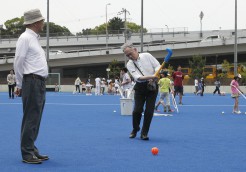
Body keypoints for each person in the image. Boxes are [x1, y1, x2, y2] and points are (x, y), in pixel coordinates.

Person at [14, 9, 49, 164]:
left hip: (38, 81)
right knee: (31, 118)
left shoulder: (32, 38)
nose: (43, 23)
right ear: (35, 22)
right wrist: (19, 83)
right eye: (41, 20)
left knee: (36, 118)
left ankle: (31, 148)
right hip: (32, 81)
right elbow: (18, 62)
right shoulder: (26, 38)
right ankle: (27, 152)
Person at [122, 42, 160, 140]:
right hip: (140, 87)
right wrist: (151, 76)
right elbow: (137, 77)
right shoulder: (129, 64)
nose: (130, 56)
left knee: (149, 111)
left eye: (130, 53)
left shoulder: (147, 56)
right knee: (137, 110)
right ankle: (135, 129)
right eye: (127, 55)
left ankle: (144, 132)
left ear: (135, 49)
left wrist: (155, 75)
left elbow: (157, 66)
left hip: (152, 87)